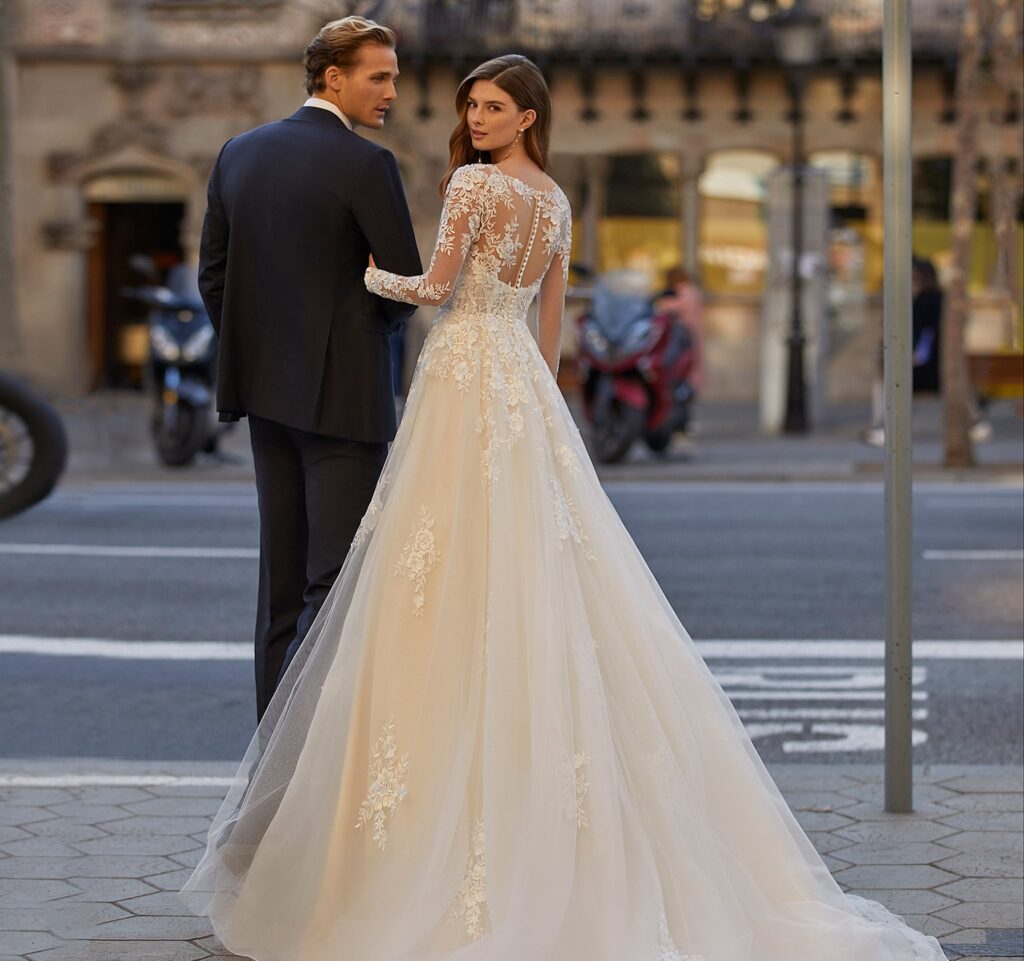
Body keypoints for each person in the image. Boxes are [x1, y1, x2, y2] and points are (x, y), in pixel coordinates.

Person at [182, 54, 948, 961]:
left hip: (464, 375)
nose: (477, 117)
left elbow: (431, 289)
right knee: (532, 568)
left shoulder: (471, 185)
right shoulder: (556, 200)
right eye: (472, 105)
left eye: (495, 106)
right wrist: (540, 405)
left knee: (436, 571)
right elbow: (550, 324)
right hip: (519, 386)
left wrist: (357, 275)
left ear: (528, 115)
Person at [198, 17, 422, 721]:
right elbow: (403, 283)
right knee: (337, 585)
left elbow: (214, 279)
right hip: (346, 403)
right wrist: (358, 343)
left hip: (264, 400)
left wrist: (262, 355)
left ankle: (269, 762)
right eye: (378, 76)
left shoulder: (238, 152)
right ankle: (305, 773)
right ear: (334, 78)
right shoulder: (366, 164)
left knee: (282, 589)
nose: (392, 91)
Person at [655, 265, 706, 395]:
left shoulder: (682, 291)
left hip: (682, 333)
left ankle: (682, 388)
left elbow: (666, 308)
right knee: (692, 361)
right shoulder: (691, 290)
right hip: (692, 331)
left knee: (680, 361)